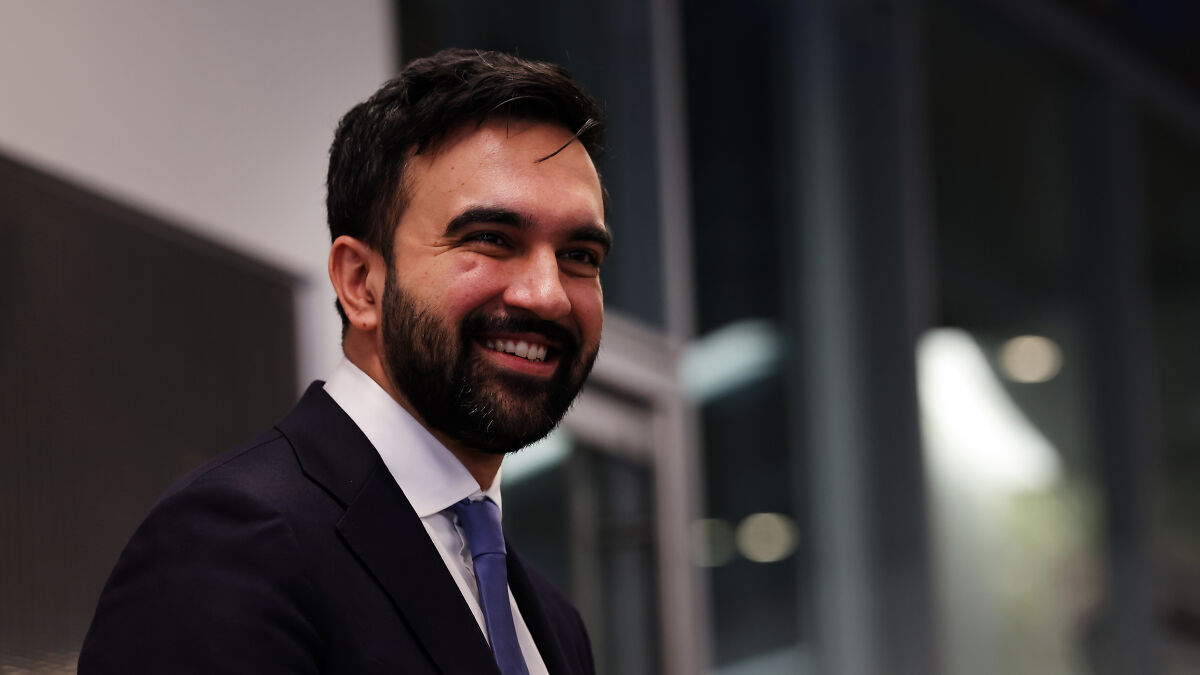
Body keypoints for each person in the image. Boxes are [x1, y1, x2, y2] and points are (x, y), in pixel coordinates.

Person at [78, 48, 609, 674]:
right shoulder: (228, 547)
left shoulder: (554, 627)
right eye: (491, 239)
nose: (548, 295)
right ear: (360, 283)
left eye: (580, 255)